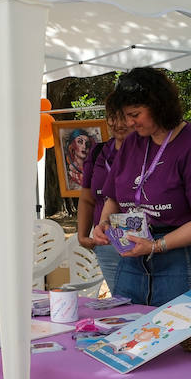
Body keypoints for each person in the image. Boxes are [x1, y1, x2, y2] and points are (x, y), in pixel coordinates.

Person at [90, 67, 191, 305]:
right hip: (136, 258)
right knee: (132, 330)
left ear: (159, 106)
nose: (129, 122)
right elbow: (112, 197)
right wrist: (104, 224)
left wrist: (157, 245)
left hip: (188, 260)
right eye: (125, 115)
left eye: (135, 114)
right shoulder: (131, 143)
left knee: (185, 338)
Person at [76, 94, 132, 291]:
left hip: (137, 241)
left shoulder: (145, 152)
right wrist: (82, 235)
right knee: (121, 300)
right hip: (106, 243)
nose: (118, 124)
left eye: (124, 117)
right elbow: (87, 198)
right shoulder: (99, 152)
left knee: (143, 306)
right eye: (112, 117)